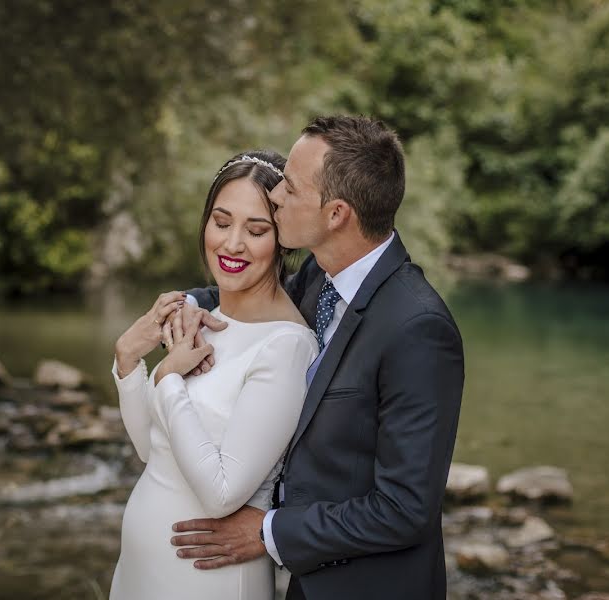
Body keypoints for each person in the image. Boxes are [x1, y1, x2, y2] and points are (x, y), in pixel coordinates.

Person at [170, 115, 465, 600]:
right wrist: (188, 304)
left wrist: (269, 531)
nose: (277, 195)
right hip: (301, 585)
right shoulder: (319, 274)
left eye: (290, 187)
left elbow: (405, 509)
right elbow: (258, 297)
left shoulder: (418, 329)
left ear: (337, 214)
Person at [109, 150, 319, 600]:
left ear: (283, 237)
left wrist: (166, 378)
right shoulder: (202, 320)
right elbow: (152, 451)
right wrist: (128, 361)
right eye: (222, 223)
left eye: (256, 230)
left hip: (208, 577)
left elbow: (221, 494)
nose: (233, 244)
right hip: (142, 569)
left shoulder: (286, 346)